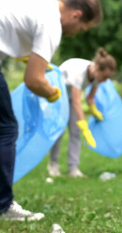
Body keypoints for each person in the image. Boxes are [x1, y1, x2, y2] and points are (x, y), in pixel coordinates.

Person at [0, 0, 103, 221]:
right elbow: (34, 80)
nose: (77, 33)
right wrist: (53, 93)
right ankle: (2, 207)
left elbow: (5, 26)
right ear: (76, 14)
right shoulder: (52, 24)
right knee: (6, 128)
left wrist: (26, 56)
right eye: (82, 28)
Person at [47, 48, 116, 178]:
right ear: (97, 69)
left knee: (75, 132)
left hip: (72, 98)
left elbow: (89, 98)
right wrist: (85, 126)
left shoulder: (97, 77)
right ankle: (53, 164)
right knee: (60, 132)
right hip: (58, 96)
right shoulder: (78, 71)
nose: (106, 80)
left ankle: (73, 169)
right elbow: (77, 102)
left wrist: (94, 111)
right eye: (105, 76)